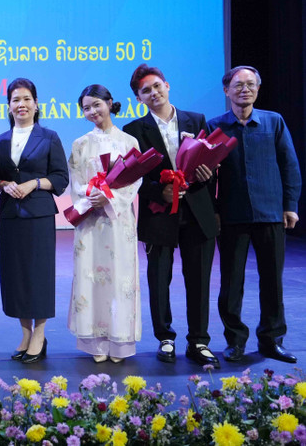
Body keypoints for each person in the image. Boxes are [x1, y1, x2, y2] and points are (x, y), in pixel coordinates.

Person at [122, 64, 220, 367]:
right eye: (146, 91)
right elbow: (131, 178)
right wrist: (158, 192)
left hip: (197, 211)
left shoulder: (196, 119)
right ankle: (165, 338)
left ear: (167, 85)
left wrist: (207, 173)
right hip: (159, 213)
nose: (153, 93)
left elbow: (210, 160)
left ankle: (199, 341)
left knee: (199, 278)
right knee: (158, 277)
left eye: (157, 86)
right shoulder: (133, 131)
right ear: (139, 98)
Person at [208, 66, 301, 363]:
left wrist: (290, 205)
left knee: (272, 281)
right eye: (238, 85)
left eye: (250, 84)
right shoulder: (214, 127)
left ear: (258, 89)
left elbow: (289, 165)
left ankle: (271, 340)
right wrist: (213, 212)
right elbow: (206, 175)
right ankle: (235, 341)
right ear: (226, 91)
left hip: (270, 212)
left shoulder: (274, 122)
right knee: (231, 283)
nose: (244, 89)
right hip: (231, 215)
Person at [0, 78, 69, 363]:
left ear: (36, 104)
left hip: (39, 215)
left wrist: (33, 184)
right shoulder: (1, 140)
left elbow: (60, 178)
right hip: (10, 215)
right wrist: (3, 184)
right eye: (15, 100)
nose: (21, 104)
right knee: (16, 275)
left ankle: (40, 334)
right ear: (9, 106)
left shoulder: (49, 137)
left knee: (39, 274)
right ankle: (25, 333)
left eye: (26, 99)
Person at [67, 84, 141, 363]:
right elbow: (76, 182)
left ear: (110, 103)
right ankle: (95, 343)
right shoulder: (80, 144)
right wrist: (91, 197)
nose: (92, 111)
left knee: (120, 277)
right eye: (86, 108)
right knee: (90, 277)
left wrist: (110, 198)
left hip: (118, 220)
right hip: (90, 220)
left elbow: (135, 180)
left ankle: (119, 341)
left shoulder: (129, 141)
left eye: (96, 104)